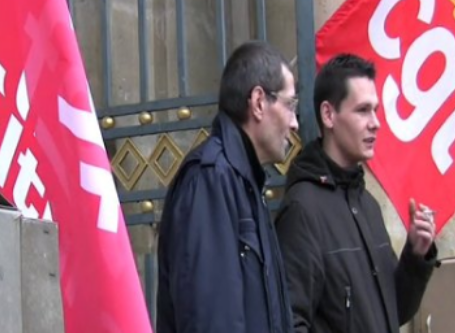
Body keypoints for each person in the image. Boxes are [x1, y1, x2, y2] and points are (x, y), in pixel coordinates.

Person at [275, 53, 437, 333]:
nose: (375, 122)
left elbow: (393, 310)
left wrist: (415, 256)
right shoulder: (303, 210)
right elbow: (289, 322)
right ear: (329, 115)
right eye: (362, 110)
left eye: (375, 110)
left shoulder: (368, 205)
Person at [156, 41, 298, 333]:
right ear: (259, 102)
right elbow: (209, 320)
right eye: (290, 105)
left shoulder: (244, 181)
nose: (295, 123)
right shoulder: (210, 179)